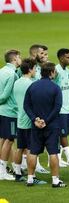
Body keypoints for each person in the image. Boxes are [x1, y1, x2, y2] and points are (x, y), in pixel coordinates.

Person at [23, 62, 66, 188]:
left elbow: (26, 106)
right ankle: (55, 180)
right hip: (52, 126)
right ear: (52, 72)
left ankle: (30, 178)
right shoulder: (55, 88)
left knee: (33, 152)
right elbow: (57, 108)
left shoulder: (32, 86)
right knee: (53, 152)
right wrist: (46, 121)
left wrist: (35, 119)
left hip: (36, 126)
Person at [54, 48, 69, 167]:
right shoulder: (56, 72)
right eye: (67, 57)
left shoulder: (68, 71)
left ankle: (58, 158)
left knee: (62, 133)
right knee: (63, 134)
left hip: (67, 108)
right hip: (60, 109)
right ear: (61, 58)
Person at [13, 58, 37, 182]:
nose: (36, 71)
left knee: (20, 147)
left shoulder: (17, 82)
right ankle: (31, 175)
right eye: (35, 68)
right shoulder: (31, 84)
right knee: (30, 149)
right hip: (29, 120)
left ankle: (17, 172)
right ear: (30, 69)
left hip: (19, 119)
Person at [0, 50, 21, 181]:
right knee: (10, 140)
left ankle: (1, 169)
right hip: (10, 112)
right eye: (19, 57)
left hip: (2, 111)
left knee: (3, 139)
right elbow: (5, 95)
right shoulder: (12, 75)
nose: (20, 59)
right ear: (14, 59)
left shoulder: (1, 71)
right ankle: (2, 171)